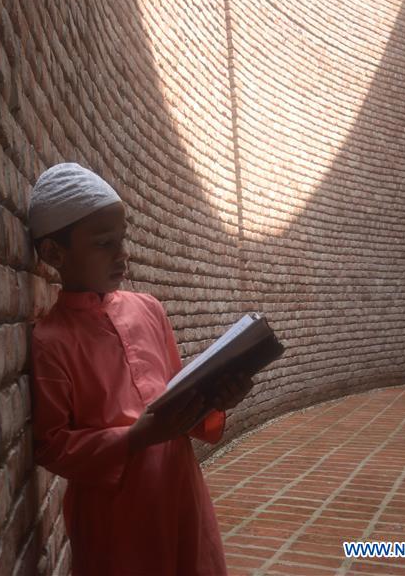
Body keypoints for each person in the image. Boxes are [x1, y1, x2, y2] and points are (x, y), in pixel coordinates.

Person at [28, 162, 255, 576]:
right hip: (115, 515)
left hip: (180, 489)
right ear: (53, 254)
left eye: (122, 240)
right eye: (104, 244)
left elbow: (180, 399)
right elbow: (52, 446)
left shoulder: (148, 309)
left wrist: (217, 400)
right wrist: (135, 437)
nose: (122, 255)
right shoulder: (51, 340)